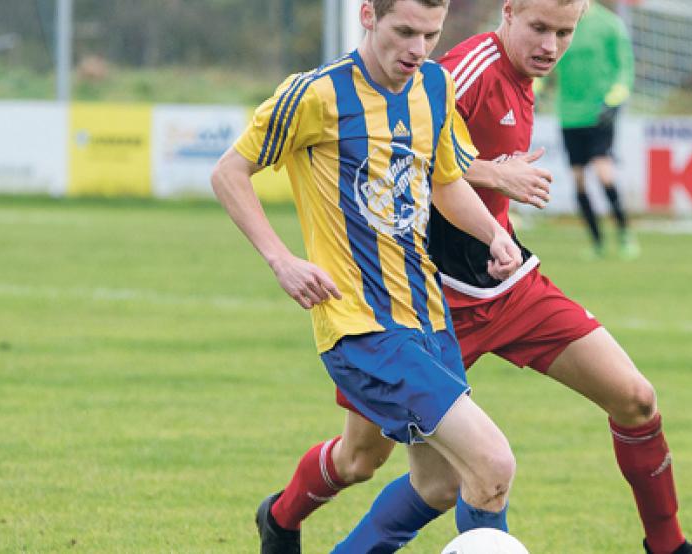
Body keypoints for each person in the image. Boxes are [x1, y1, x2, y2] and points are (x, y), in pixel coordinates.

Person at [261, 1, 692, 553]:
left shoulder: (528, 77)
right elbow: (403, 146)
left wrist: (498, 228)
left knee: (636, 399)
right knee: (365, 461)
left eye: (564, 33)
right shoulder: (463, 68)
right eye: (539, 29)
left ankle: (669, 548)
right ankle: (282, 519)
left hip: (508, 285)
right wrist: (494, 172)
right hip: (423, 301)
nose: (551, 45)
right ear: (508, 13)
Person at [209, 1, 527, 553]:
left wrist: (495, 236)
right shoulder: (315, 94)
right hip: (360, 326)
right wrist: (281, 259)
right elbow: (229, 172)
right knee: (492, 462)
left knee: (440, 483)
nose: (418, 49)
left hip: (427, 318)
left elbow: (447, 183)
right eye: (404, 31)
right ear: (368, 15)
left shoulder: (434, 87)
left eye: (430, 35)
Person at [553, 0, 638, 260]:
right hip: (568, 115)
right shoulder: (557, 21)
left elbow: (625, 68)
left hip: (599, 112)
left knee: (603, 172)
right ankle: (597, 242)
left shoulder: (610, 24)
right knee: (578, 180)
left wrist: (615, 98)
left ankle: (624, 233)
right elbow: (544, 65)